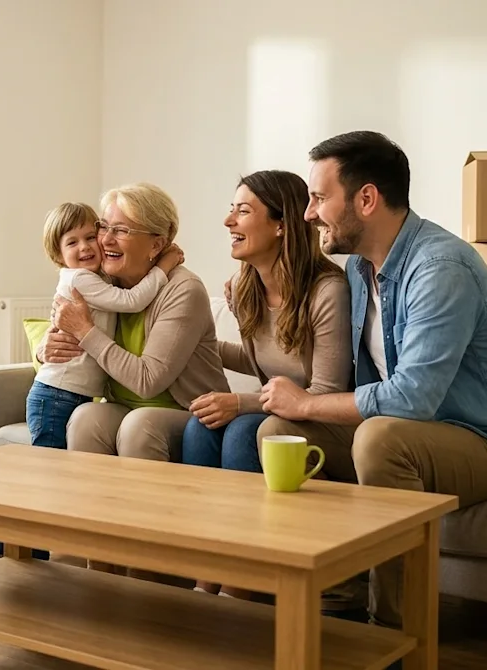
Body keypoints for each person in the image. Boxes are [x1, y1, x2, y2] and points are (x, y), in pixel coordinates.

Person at [255, 130, 487, 630]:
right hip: (422, 431)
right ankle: (336, 597)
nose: (308, 213)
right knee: (279, 433)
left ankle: (395, 633)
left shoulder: (440, 267)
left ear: (366, 199)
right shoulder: (359, 270)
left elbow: (412, 397)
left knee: (381, 436)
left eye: (320, 198)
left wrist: (306, 403)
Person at [180, 170, 353, 599]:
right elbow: (263, 362)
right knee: (199, 425)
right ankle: (204, 577)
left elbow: (324, 390)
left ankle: (245, 585)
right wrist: (196, 344)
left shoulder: (327, 290)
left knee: (243, 428)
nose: (228, 222)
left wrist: (240, 403)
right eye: (231, 209)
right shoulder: (245, 289)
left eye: (243, 211)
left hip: (327, 423)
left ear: (281, 225)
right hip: (279, 411)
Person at [0, 201, 184, 562]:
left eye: (90, 236)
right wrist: (166, 266)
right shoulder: (81, 280)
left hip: (68, 395)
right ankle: (2, 545)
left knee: (53, 476)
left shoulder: (97, 277)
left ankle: (26, 549)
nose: (85, 247)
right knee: (49, 477)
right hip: (56, 396)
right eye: (72, 243)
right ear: (58, 254)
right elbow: (133, 300)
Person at [47, 182, 230, 464]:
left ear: (156, 244)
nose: (105, 240)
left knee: (139, 426)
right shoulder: (104, 282)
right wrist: (46, 347)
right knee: (86, 417)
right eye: (104, 227)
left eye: (120, 231)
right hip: (123, 405)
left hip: (189, 412)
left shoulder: (183, 289)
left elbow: (147, 382)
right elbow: (61, 323)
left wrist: (85, 331)